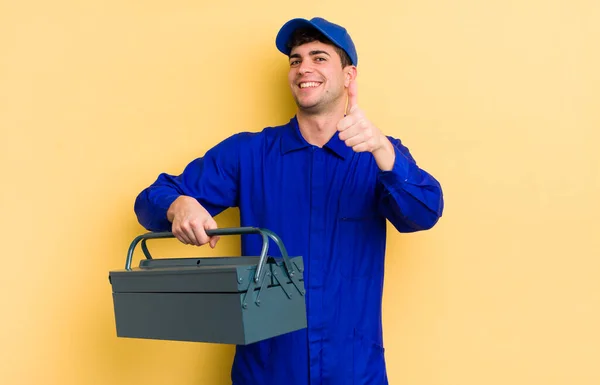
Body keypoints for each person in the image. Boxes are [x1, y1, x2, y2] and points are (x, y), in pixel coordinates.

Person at [134, 16, 444, 385]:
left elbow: (424, 212)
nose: (303, 68)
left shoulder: (378, 156)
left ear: (349, 76)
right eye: (296, 60)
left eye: (319, 57)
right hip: (266, 371)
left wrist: (382, 149)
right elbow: (151, 200)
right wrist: (178, 205)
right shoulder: (248, 154)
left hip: (353, 370)